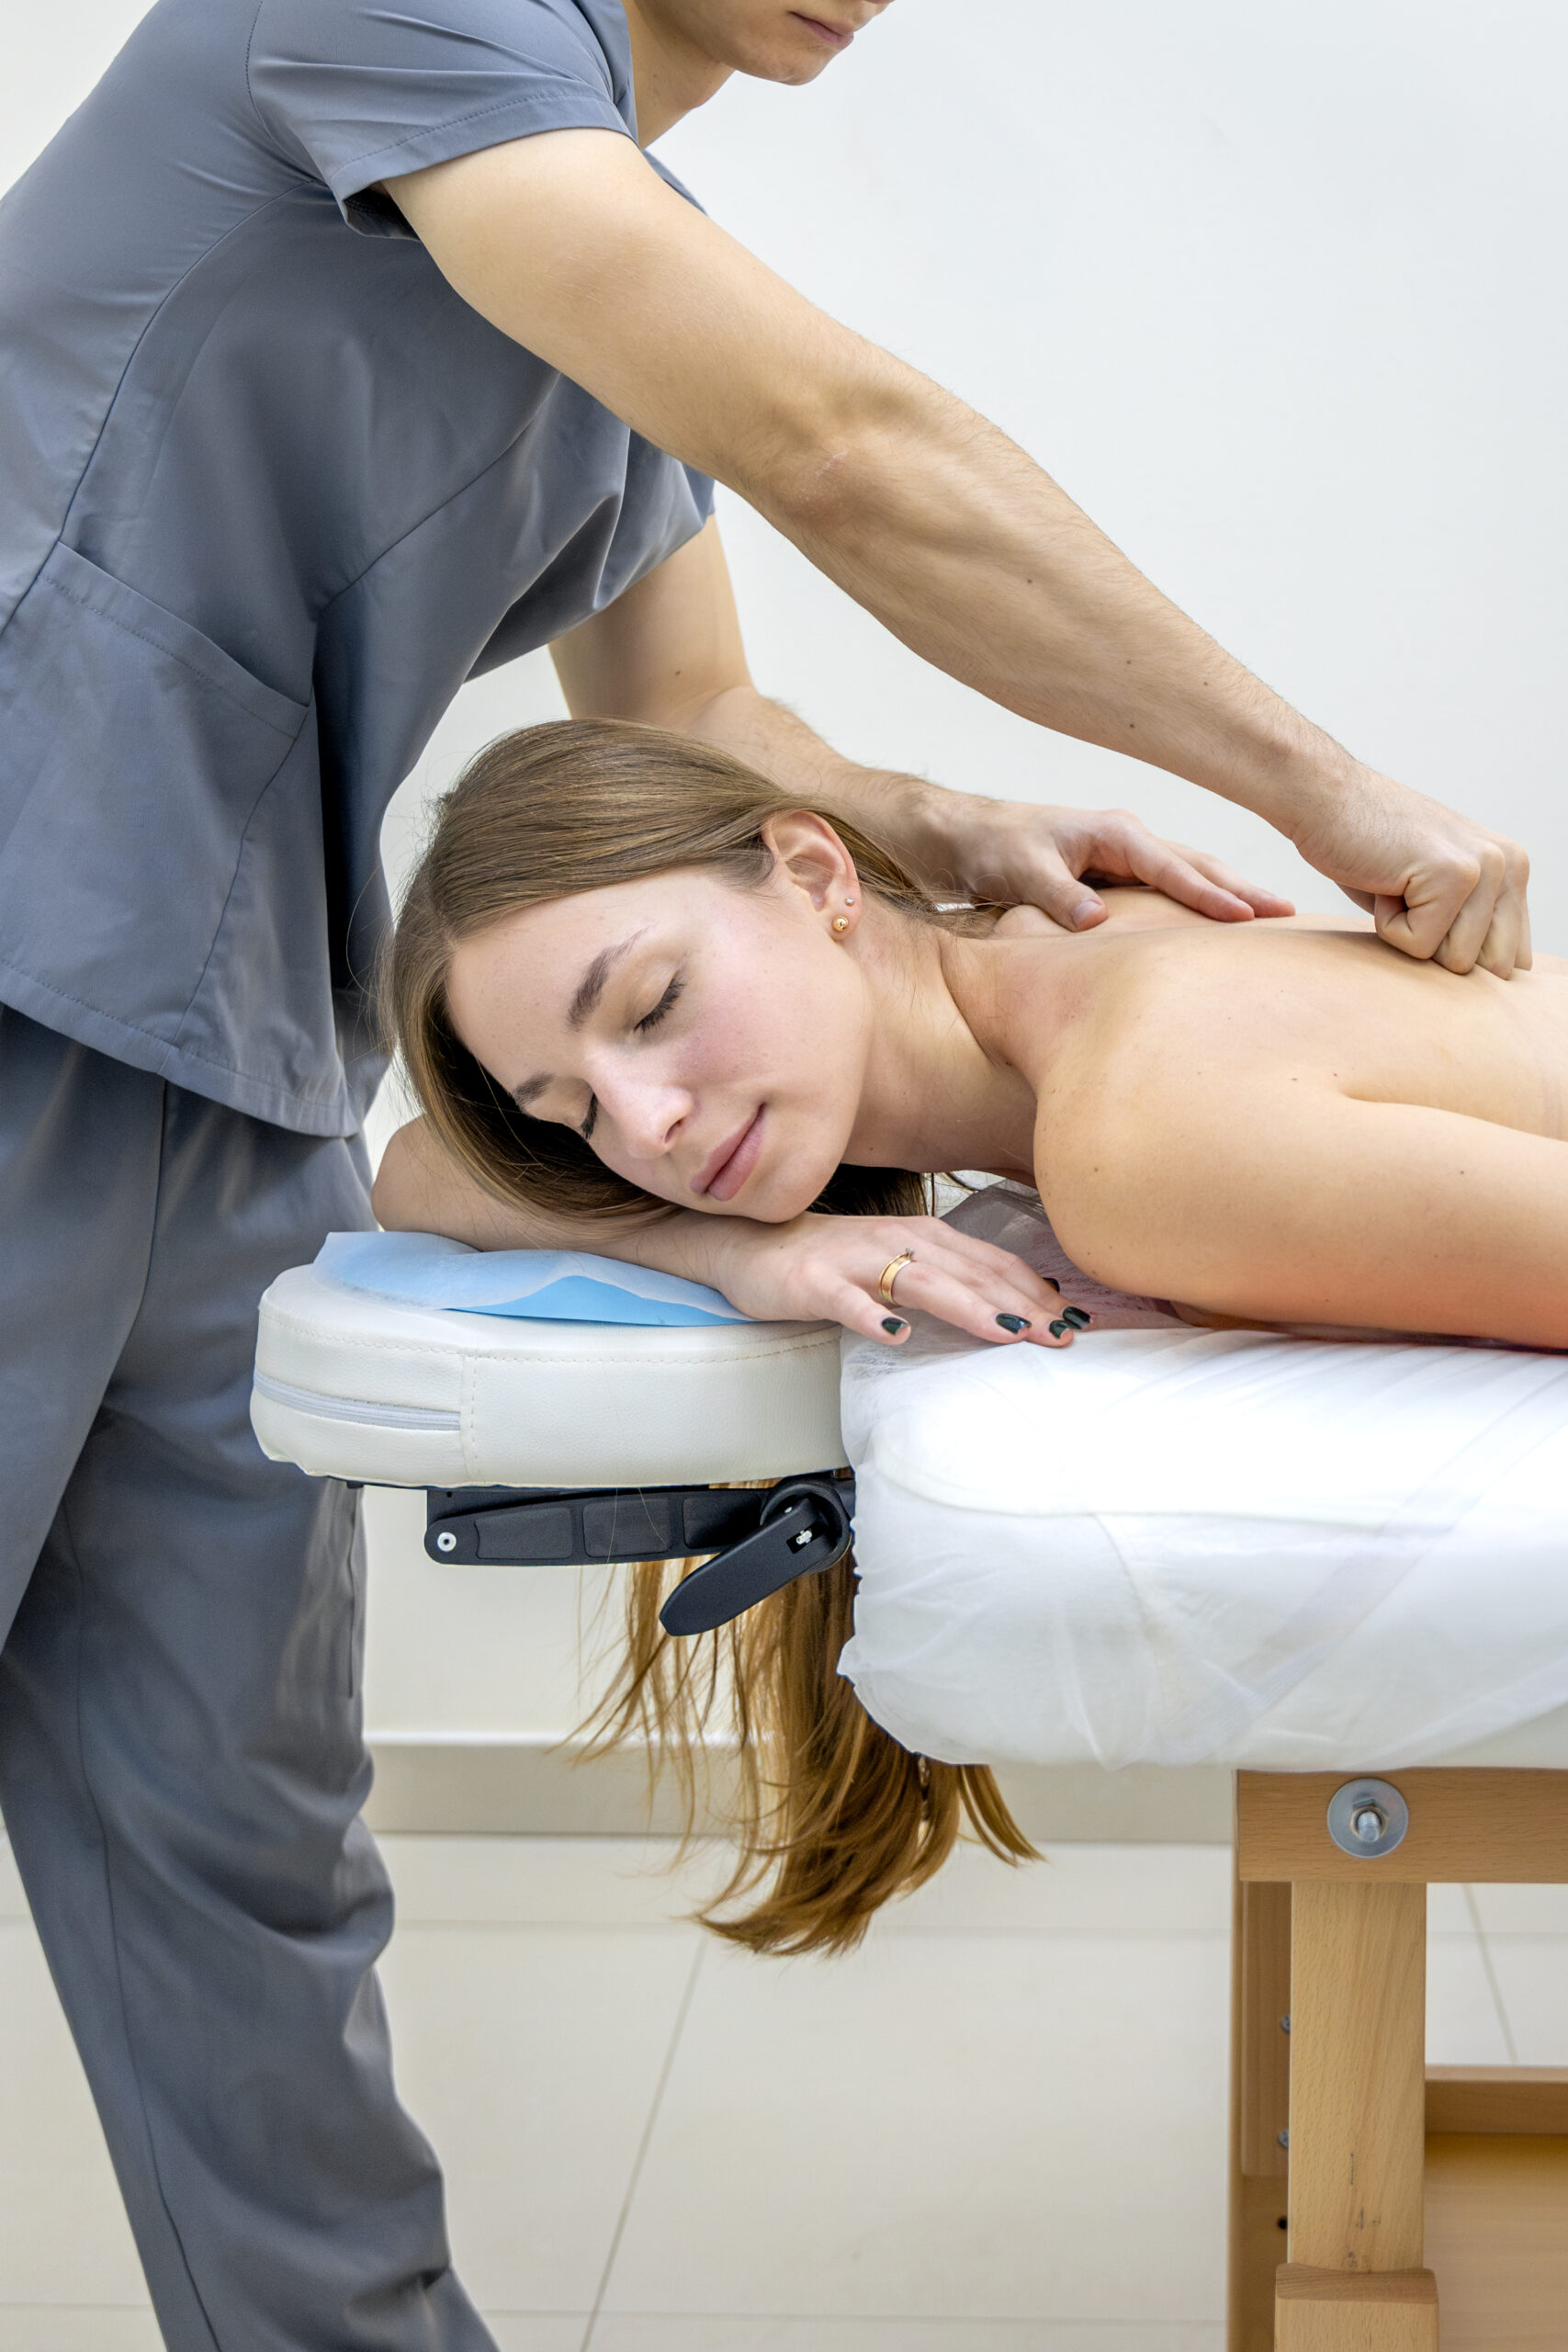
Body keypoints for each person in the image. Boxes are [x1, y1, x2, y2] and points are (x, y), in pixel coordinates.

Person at [0, 0, 1531, 2337]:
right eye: (598, 1071)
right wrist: (1327, 792)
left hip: (214, 1030)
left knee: (227, 1831)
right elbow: (842, 440)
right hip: (31, 913)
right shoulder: (407, 21)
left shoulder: (605, 266)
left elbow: (701, 729)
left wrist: (936, 829)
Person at [377, 716, 1568, 1953]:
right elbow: (419, 1172)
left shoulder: (1133, 1134)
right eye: (570, 1113)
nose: (645, 1129)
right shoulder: (1062, 943)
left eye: (653, 1005)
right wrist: (745, 1252)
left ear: (817, 874)